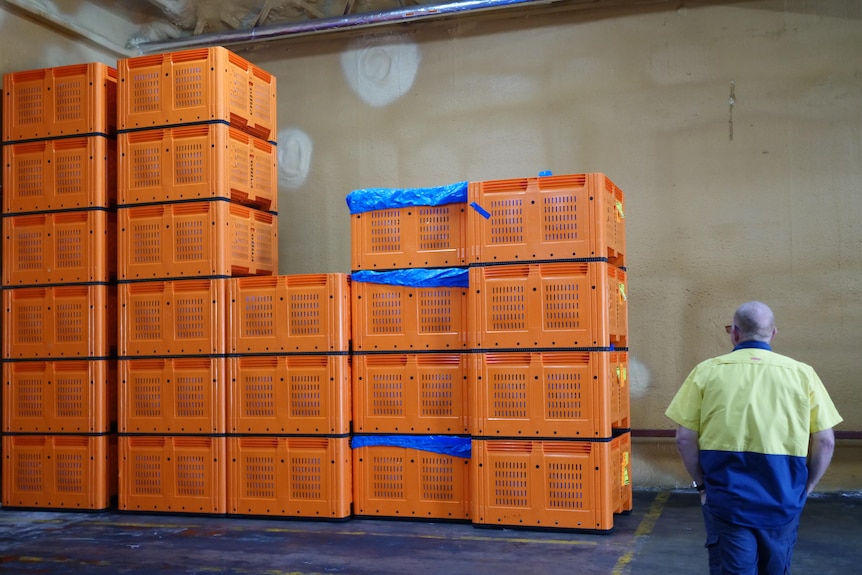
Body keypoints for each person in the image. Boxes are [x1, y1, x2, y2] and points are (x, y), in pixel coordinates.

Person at [665, 301, 842, 574]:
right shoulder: (802, 374)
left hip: (726, 498)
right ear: (773, 334)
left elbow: (684, 439)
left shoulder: (707, 371)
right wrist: (806, 488)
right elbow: (826, 441)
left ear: (734, 333)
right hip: (783, 497)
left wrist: (702, 486)